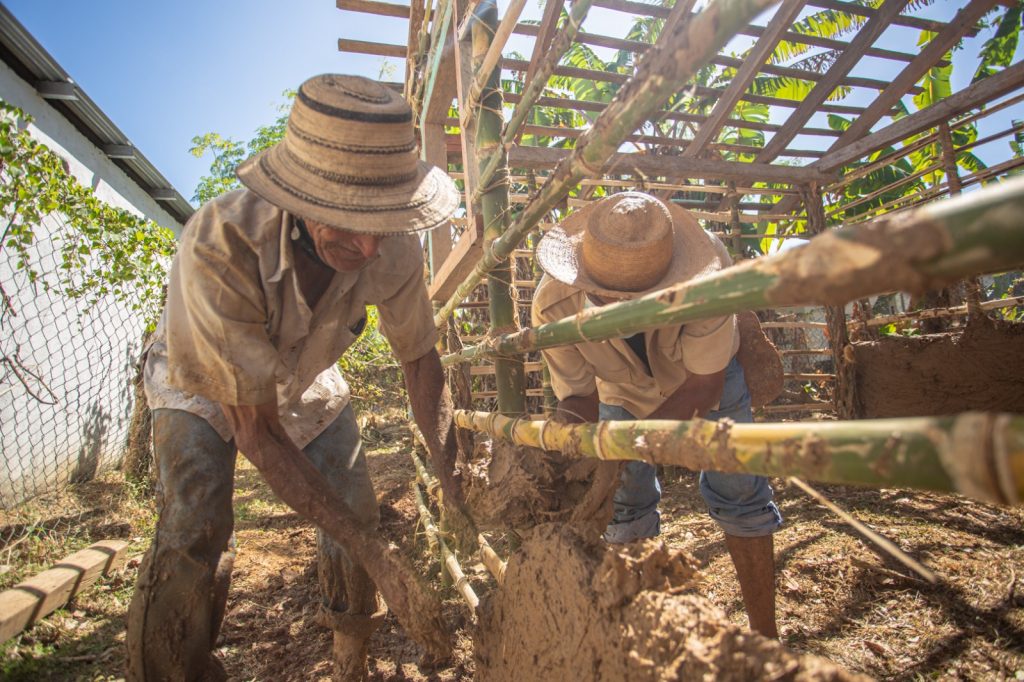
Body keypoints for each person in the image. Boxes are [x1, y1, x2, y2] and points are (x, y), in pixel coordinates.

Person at [127, 74, 464, 680]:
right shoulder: (220, 244)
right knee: (194, 520)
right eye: (342, 221)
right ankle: (175, 667)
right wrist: (379, 555)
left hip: (305, 369)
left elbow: (419, 360)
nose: (364, 247)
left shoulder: (394, 248)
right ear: (300, 200)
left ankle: (351, 657)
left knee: (353, 507)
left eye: (380, 222)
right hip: (201, 376)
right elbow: (254, 429)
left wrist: (454, 477)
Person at [531, 191, 783, 638]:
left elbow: (703, 385)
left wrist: (631, 446)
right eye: (606, 297)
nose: (621, 307)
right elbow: (578, 397)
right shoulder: (553, 306)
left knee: (739, 488)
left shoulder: (707, 280)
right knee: (624, 505)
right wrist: (573, 446)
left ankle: (766, 638)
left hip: (706, 377)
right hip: (620, 394)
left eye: (637, 297)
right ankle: (645, 630)